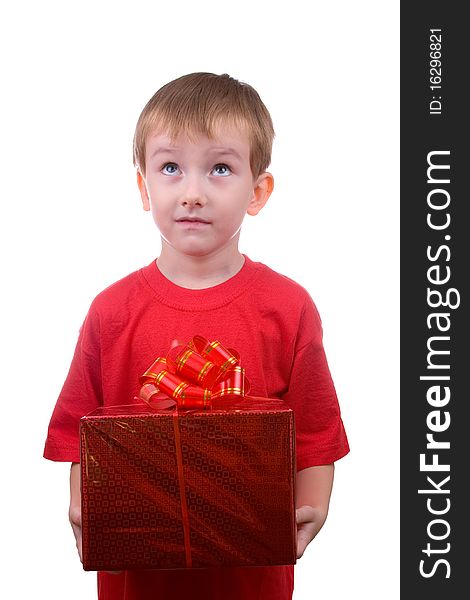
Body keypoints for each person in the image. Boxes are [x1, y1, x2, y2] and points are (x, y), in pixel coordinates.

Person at [44, 72, 349, 600]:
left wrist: (313, 506)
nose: (192, 193)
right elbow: (78, 429)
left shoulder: (288, 308)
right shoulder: (110, 312)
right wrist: (81, 504)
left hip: (250, 578)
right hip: (138, 581)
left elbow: (316, 429)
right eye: (170, 168)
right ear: (143, 186)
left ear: (258, 191)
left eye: (220, 169)